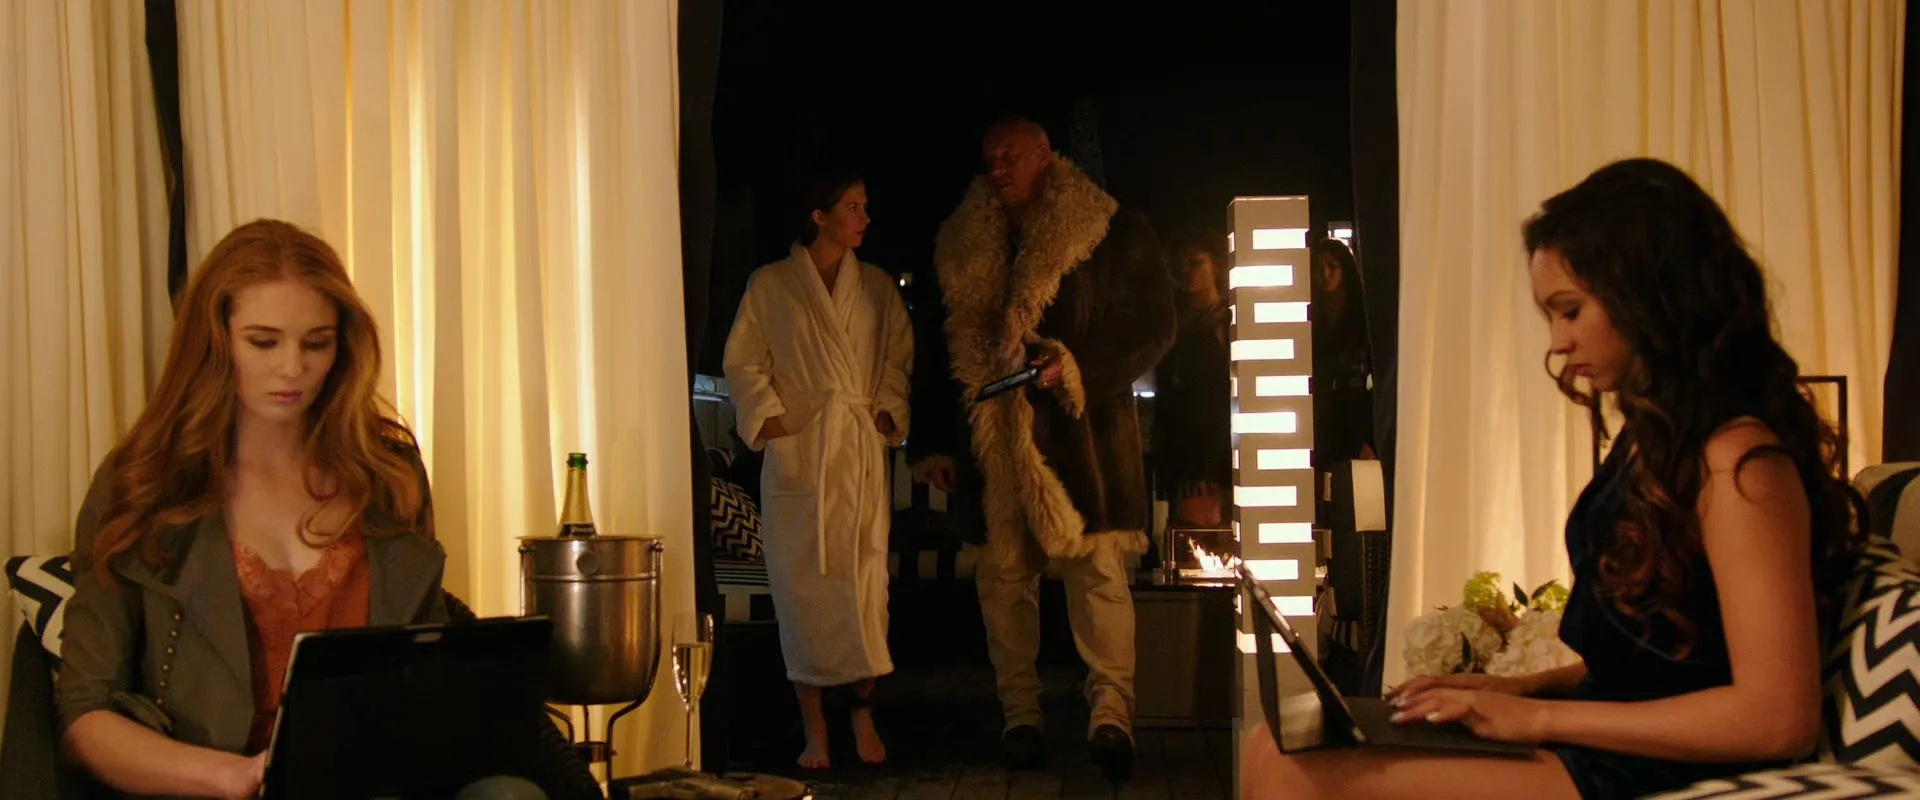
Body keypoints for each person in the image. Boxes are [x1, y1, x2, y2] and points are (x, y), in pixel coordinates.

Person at [1239, 158, 1865, 799]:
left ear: (1650, 296)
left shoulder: (1739, 466)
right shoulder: (1655, 442)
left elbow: (1777, 717)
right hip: (1604, 740)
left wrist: (1539, 718)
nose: (1558, 342)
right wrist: (1516, 689)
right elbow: (1649, 666)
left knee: (1294, 769)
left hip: (1660, 766)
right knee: (1274, 741)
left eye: (1570, 311)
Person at [55, 219, 596, 800]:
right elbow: (85, 716)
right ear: (215, 341)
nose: (293, 368)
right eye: (264, 342)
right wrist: (233, 776)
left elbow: (423, 664)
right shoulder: (144, 484)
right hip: (220, 787)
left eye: (316, 343)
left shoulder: (386, 473)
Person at [910, 118, 1176, 782]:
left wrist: (1079, 365)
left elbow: (1153, 323)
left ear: (1044, 157)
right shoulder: (960, 242)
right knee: (1004, 580)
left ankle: (1112, 715)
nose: (998, 168)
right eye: (990, 158)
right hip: (994, 439)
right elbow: (937, 347)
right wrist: (934, 441)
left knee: (1099, 577)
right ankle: (1020, 716)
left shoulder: (1111, 229)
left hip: (1084, 437)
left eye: (1010, 156)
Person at [722, 171, 913, 770]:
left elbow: (897, 360)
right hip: (802, 456)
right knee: (802, 593)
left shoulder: (877, 287)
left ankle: (862, 716)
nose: (864, 218)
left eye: (866, 206)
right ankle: (815, 731)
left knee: (865, 590)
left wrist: (884, 413)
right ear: (818, 215)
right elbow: (743, 362)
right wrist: (775, 423)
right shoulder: (771, 285)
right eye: (852, 207)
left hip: (856, 455)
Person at [1151, 228, 1233, 528]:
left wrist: (1207, 466)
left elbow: (1219, 396)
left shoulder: (1227, 319)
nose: (1188, 272)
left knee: (1210, 532)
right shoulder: (1174, 322)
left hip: (1214, 449)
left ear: (1216, 264)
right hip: (1179, 446)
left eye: (1196, 263)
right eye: (1182, 265)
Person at [1310, 237, 1376, 465]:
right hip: (1321, 413)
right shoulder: (1311, 317)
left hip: (1354, 412)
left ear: (1344, 270)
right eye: (1319, 268)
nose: (1325, 274)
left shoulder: (1361, 315)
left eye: (1332, 267)